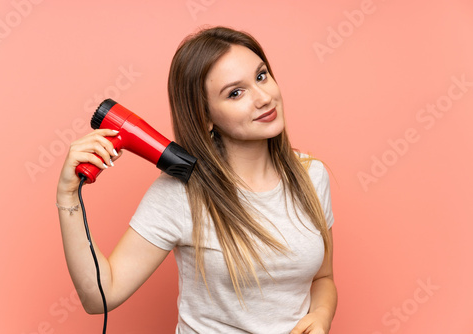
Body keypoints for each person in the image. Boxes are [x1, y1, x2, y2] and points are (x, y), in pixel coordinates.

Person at [56, 26, 337, 334]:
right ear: (205, 117)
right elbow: (100, 296)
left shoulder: (311, 175)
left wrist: (321, 315)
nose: (263, 98)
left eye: (261, 76)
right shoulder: (181, 194)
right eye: (235, 93)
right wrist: (68, 197)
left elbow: (322, 279)